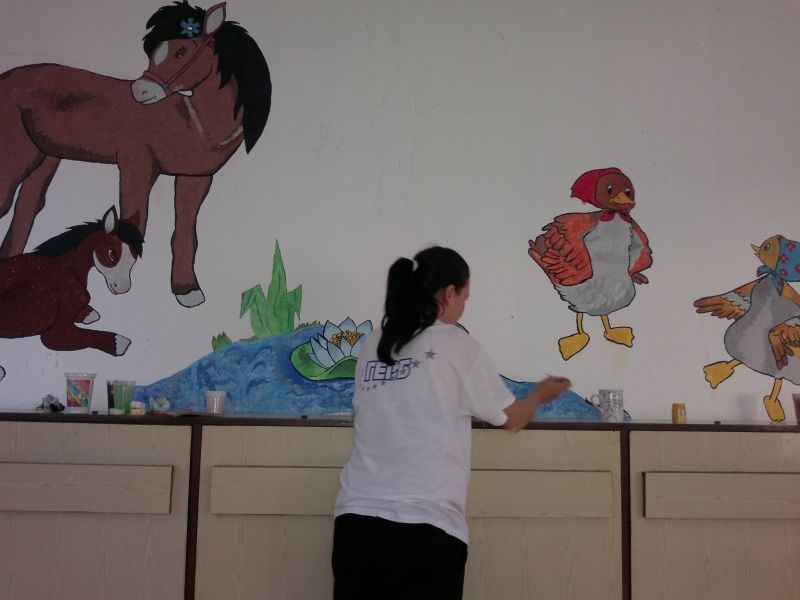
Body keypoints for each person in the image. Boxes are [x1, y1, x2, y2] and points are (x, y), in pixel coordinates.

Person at [331, 246, 571, 599]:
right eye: (464, 298)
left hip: (355, 524)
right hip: (425, 529)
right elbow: (511, 419)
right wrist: (539, 395)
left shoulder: (373, 343)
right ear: (448, 293)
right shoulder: (457, 345)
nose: (463, 307)